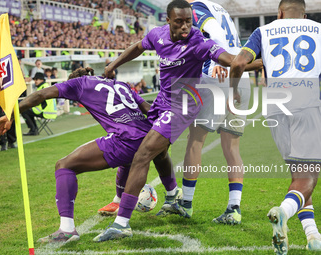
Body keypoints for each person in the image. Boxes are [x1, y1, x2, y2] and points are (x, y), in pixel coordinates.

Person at [94, 0, 240, 242]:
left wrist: (252, 63)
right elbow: (138, 47)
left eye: (189, 22)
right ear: (168, 21)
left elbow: (228, 59)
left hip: (184, 105)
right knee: (158, 153)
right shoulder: (157, 35)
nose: (186, 27)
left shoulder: (200, 42)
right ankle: (173, 197)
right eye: (180, 22)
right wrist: (112, 65)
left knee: (143, 154)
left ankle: (122, 224)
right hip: (162, 101)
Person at [0, 67, 179, 243]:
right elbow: (147, 108)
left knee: (63, 165)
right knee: (143, 158)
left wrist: (12, 115)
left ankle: (67, 229)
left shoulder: (78, 84)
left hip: (125, 139)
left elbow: (41, 94)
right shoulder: (119, 84)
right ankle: (170, 196)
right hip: (148, 136)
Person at [229, 0, 321, 253]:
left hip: (276, 107)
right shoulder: (317, 29)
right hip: (307, 103)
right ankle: (283, 212)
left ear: (280, 13)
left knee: (299, 175)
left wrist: (233, 92)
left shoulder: (263, 31)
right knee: (309, 176)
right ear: (305, 14)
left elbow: (237, 63)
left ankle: (312, 235)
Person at [172, 0, 261, 222]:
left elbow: (215, 33)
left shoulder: (196, 8)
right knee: (232, 147)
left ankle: (186, 203)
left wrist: (219, 63)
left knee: (195, 140)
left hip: (217, 77)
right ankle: (234, 208)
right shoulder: (220, 8)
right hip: (241, 79)